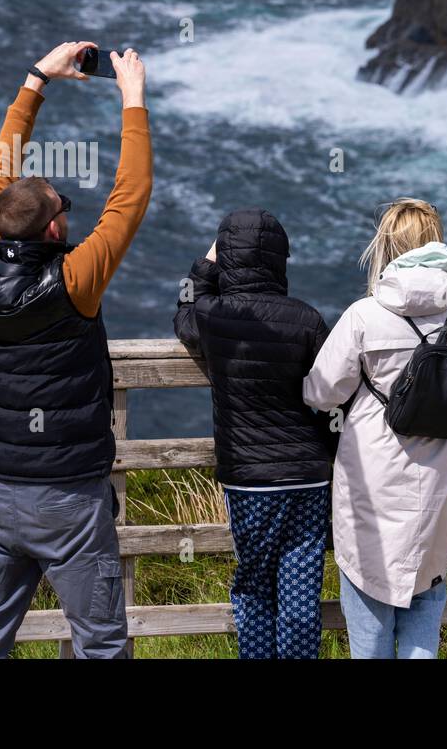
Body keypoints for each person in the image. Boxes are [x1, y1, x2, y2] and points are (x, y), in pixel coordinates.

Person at [0, 41, 151, 658]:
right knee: (100, 645)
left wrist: (37, 78)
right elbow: (130, 197)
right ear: (54, 229)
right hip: (67, 497)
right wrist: (133, 98)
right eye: (61, 207)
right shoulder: (74, 280)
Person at [303, 198, 447, 659]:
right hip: (435, 484)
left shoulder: (364, 315)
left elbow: (321, 392)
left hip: (373, 483)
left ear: (386, 246)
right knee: (425, 603)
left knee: (369, 625)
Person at [173, 209, 335, 659]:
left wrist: (206, 265)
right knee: (300, 589)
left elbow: (184, 308)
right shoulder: (307, 319)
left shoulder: (213, 316)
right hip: (307, 476)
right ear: (279, 260)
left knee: (254, 585)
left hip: (248, 479)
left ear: (227, 258)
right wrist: (330, 454)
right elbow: (331, 397)